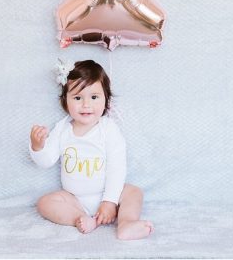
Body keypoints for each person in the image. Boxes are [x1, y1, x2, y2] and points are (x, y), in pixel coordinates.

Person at [29, 59, 153, 240]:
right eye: (78, 98)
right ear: (65, 101)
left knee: (134, 192)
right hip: (75, 199)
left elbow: (117, 168)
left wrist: (110, 201)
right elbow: (46, 161)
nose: (86, 105)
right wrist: (38, 146)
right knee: (44, 203)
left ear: (106, 99)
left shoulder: (108, 129)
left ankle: (126, 223)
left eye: (94, 97)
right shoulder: (62, 129)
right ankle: (80, 218)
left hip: (108, 193)